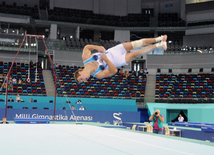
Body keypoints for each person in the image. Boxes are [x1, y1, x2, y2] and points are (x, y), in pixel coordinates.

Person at [74, 35, 167, 82]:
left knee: (136, 43)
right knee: (136, 53)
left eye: (81, 79)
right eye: (82, 81)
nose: (84, 80)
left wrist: (97, 47)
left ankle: (160, 38)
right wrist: (106, 60)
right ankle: (160, 45)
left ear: (79, 72)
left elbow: (86, 47)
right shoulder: (97, 74)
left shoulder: (86, 58)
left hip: (114, 50)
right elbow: (114, 71)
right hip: (117, 61)